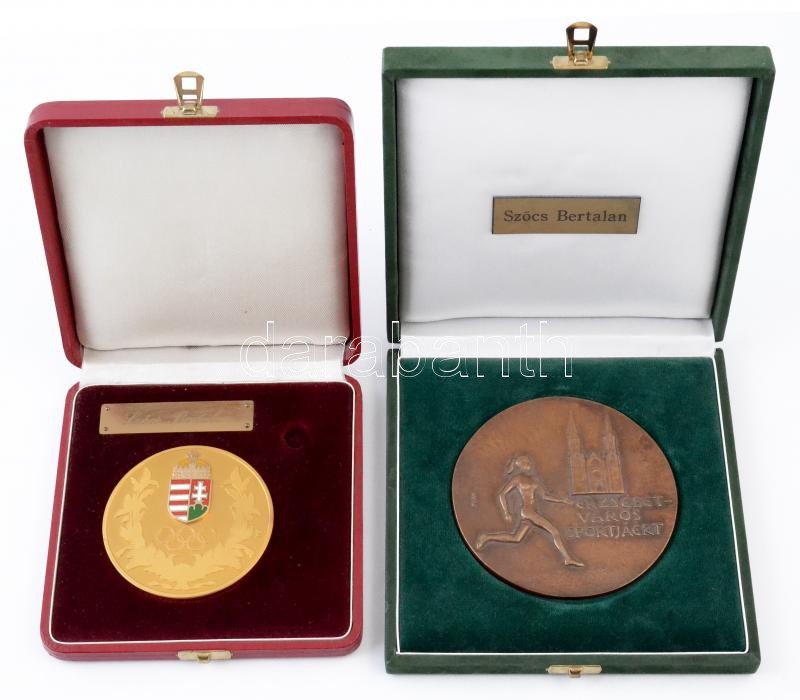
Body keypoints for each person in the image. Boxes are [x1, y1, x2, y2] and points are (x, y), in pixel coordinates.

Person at [475, 454, 583, 567]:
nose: (529, 465)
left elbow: (545, 496)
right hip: (529, 512)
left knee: (516, 538)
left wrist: (563, 500)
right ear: (520, 466)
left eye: (529, 463)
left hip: (531, 512)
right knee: (554, 532)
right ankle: (567, 558)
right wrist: (506, 512)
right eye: (525, 463)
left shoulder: (534, 480)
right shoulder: (517, 479)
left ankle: (486, 537)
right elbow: (502, 494)